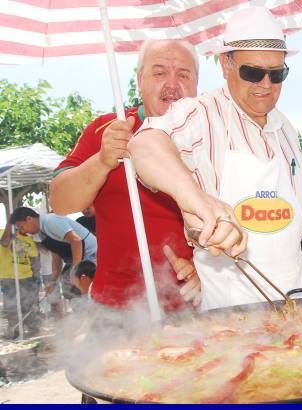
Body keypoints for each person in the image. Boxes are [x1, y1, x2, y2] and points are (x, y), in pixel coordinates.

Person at [128, 7, 302, 310]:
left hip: (297, 301)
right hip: (232, 314)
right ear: (226, 65)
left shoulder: (285, 128)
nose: (265, 84)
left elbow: (296, 209)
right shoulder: (200, 114)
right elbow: (144, 144)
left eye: (277, 74)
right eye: (252, 72)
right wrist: (196, 198)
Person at [49, 39, 235, 313]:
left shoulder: (219, 136)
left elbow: (242, 220)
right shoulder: (107, 129)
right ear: (139, 80)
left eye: (183, 74)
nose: (172, 84)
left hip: (196, 305)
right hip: (115, 310)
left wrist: (208, 267)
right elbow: (60, 202)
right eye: (159, 73)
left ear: (197, 83)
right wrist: (101, 161)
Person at [0, 221, 40, 338]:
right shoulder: (3, 234)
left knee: (28, 304)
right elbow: (4, 242)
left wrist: (35, 277)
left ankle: (33, 329)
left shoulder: (29, 240)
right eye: (18, 224)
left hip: (26, 276)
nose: (20, 227)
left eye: (23, 225)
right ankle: (15, 330)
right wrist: (12, 233)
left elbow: (34, 260)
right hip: (7, 277)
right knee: (11, 306)